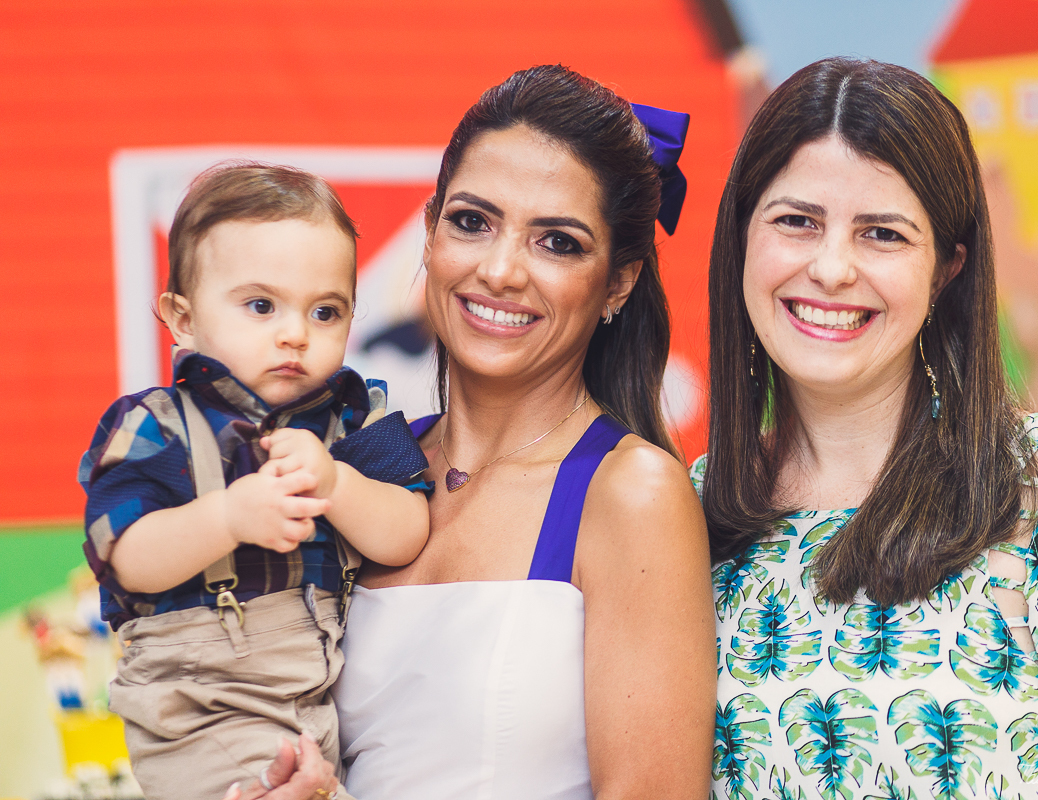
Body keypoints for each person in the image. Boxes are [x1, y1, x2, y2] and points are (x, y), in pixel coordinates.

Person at [697, 57, 1038, 800]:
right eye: (798, 222)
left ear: (947, 270)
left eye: (883, 234)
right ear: (742, 238)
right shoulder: (686, 513)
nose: (832, 268)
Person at [240, 64, 717, 800]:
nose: (499, 270)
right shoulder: (362, 465)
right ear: (429, 232)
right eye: (472, 221)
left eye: (556, 242)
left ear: (618, 283)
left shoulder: (631, 493)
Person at [78, 163, 431, 800]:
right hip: (198, 698)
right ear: (182, 319)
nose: (295, 334)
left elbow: (407, 532)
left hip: (318, 692)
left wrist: (339, 485)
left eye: (326, 312)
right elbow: (125, 557)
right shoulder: (156, 425)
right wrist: (226, 518)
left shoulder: (356, 415)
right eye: (261, 306)